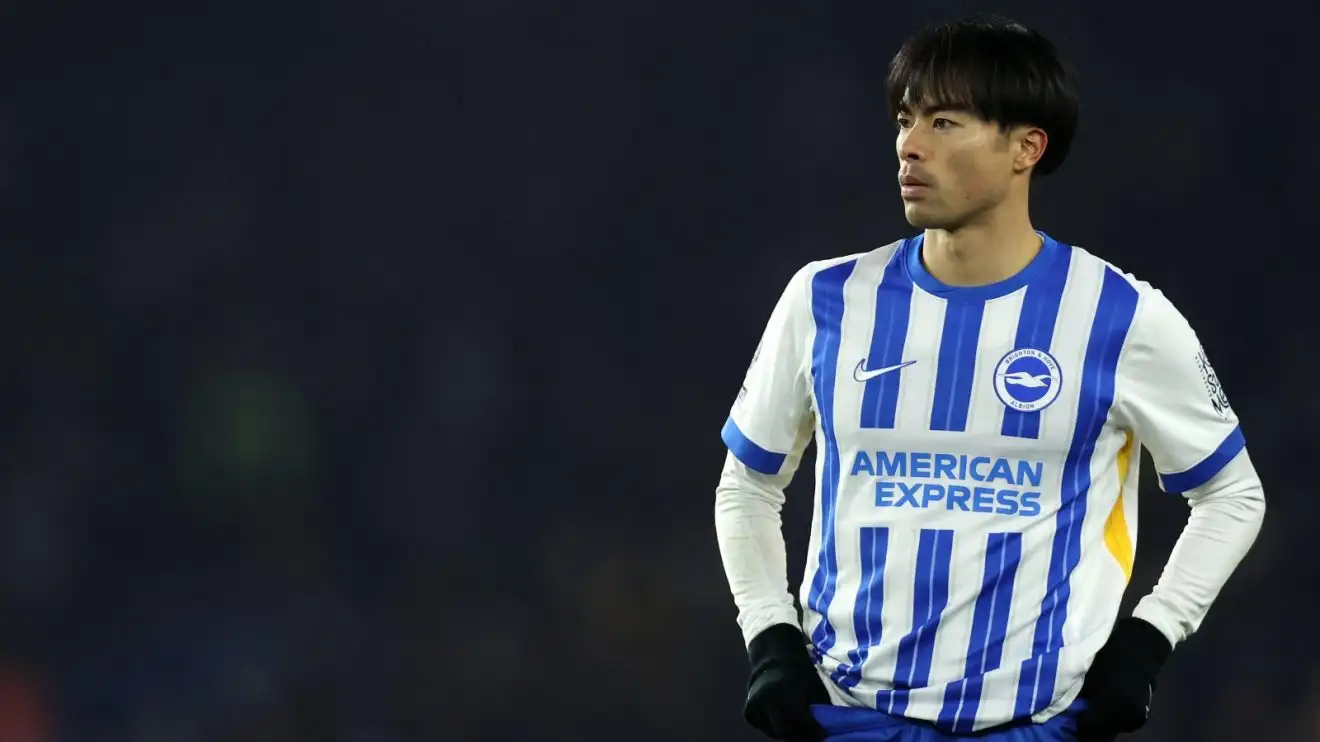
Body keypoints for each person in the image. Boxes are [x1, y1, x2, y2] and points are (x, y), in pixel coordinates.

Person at [713, 14, 1265, 742]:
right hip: (848, 717)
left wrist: (1148, 639)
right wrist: (769, 637)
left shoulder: (1123, 317)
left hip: (1035, 725)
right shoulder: (823, 300)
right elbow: (747, 484)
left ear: (1026, 148)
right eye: (906, 119)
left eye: (944, 122)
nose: (910, 144)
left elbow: (1232, 494)